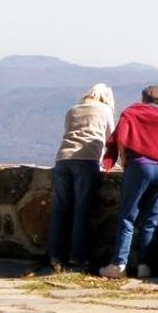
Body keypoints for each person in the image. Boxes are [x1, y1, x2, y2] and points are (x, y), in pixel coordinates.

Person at [99, 84, 158, 279]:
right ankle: (146, 266)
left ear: (143, 99)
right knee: (152, 219)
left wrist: (124, 159)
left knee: (128, 216)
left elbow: (121, 137)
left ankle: (119, 265)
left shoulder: (132, 112)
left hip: (141, 166)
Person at [48, 83, 115, 272]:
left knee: (61, 210)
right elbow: (111, 138)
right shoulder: (105, 110)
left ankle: (55, 256)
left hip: (62, 159)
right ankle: (78, 257)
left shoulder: (72, 110)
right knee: (81, 209)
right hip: (86, 160)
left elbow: (68, 133)